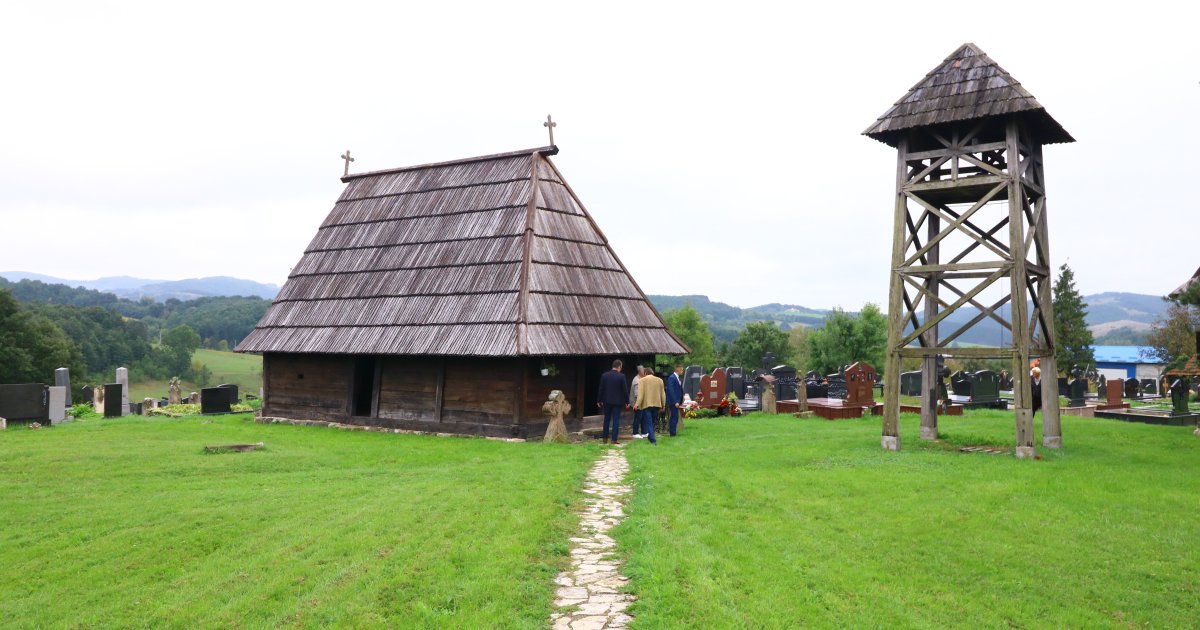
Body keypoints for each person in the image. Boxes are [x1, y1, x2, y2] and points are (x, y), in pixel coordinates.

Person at [596, 359, 627, 444]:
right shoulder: (621, 376)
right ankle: (614, 439)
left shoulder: (604, 375)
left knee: (607, 419)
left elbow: (601, 389)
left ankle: (605, 439)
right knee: (616, 420)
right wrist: (627, 402)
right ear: (619, 366)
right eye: (621, 367)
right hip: (617, 402)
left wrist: (599, 400)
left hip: (607, 401)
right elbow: (624, 390)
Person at [634, 367, 665, 445]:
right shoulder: (660, 380)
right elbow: (663, 394)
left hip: (647, 405)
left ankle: (653, 440)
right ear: (652, 373)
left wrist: (637, 404)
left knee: (649, 423)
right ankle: (650, 436)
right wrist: (663, 404)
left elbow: (640, 395)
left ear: (645, 373)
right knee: (653, 422)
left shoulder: (642, 380)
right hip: (657, 404)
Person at [666, 364, 684, 436]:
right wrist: (675, 401)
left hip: (677, 401)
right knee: (674, 417)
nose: (682, 371)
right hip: (673, 402)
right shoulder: (672, 377)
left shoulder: (677, 378)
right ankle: (672, 433)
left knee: (675, 417)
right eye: (682, 370)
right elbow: (671, 390)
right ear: (678, 370)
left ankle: (673, 432)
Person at [629, 366, 645, 438]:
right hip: (637, 402)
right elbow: (637, 394)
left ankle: (644, 432)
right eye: (643, 370)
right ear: (640, 371)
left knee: (642, 417)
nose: (644, 371)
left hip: (640, 402)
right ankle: (635, 433)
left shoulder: (641, 379)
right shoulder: (637, 380)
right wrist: (637, 403)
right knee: (638, 417)